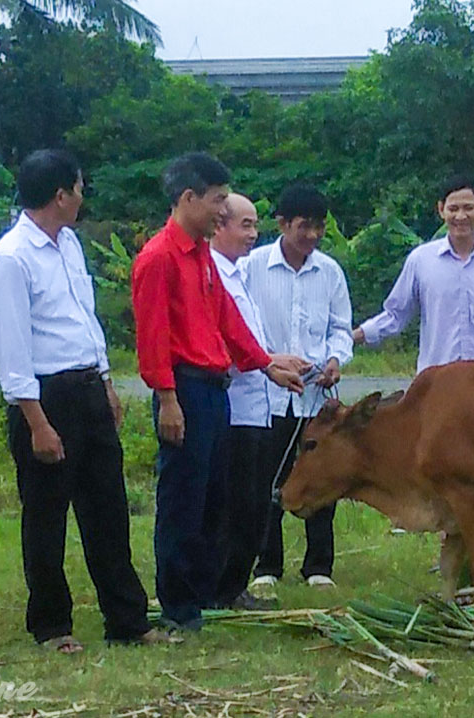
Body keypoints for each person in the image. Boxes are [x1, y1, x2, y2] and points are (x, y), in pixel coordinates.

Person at [0, 149, 175, 653]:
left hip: (87, 388)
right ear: (61, 195)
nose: (84, 197)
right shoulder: (10, 259)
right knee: (46, 516)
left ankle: (126, 619)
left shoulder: (68, 245)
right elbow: (12, 350)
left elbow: (83, 319)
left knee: (108, 510)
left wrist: (106, 382)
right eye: (80, 187)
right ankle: (51, 625)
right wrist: (37, 423)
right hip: (46, 398)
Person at [131, 152, 305, 632]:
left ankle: (205, 595)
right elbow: (152, 338)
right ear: (188, 199)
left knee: (213, 498)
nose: (222, 213)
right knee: (183, 499)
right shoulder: (159, 258)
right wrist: (167, 399)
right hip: (184, 390)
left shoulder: (202, 254)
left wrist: (265, 363)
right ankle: (178, 607)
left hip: (214, 391)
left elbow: (225, 320)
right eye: (217, 202)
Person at [243, 184, 354, 593]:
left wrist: (334, 361)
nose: (312, 235)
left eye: (319, 227)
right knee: (266, 481)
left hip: (314, 398)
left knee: (321, 479)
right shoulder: (252, 266)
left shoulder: (329, 272)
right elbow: (240, 326)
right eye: (304, 226)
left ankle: (319, 565)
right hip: (266, 394)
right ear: (283, 224)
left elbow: (340, 329)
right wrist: (269, 360)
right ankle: (266, 564)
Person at [209, 193, 308, 610]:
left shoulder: (237, 273)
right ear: (219, 226)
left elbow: (247, 339)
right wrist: (267, 363)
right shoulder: (211, 273)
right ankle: (219, 588)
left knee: (253, 502)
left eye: (254, 225)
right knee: (234, 504)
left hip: (255, 404)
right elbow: (218, 341)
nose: (253, 234)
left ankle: (232, 586)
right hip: (231, 404)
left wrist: (271, 358)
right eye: (244, 225)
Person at [352, 175, 474, 370]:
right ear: (441, 210)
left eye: (468, 208)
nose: (461, 216)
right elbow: (396, 314)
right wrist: (354, 336)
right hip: (437, 380)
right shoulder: (421, 260)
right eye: (453, 209)